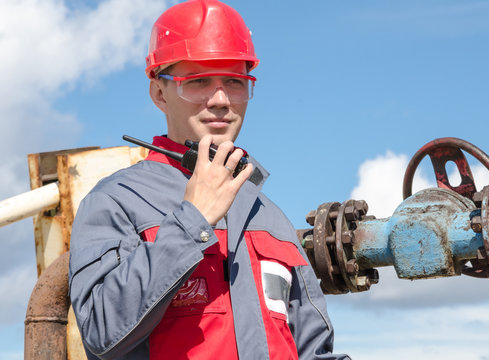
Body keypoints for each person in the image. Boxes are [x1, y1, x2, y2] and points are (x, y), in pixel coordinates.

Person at [69, 0, 349, 359]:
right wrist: (193, 218)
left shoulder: (270, 217)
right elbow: (100, 330)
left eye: (234, 82)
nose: (220, 100)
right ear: (159, 92)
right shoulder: (115, 202)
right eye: (198, 81)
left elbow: (313, 350)